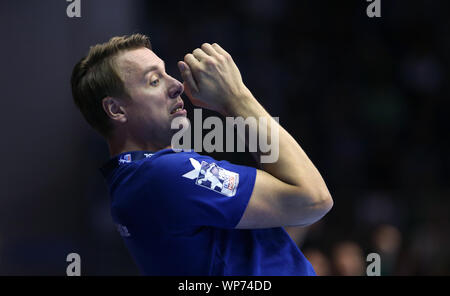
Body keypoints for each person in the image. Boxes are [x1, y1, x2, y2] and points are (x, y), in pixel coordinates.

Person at [71, 33, 333, 275]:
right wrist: (236, 97)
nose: (176, 85)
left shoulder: (136, 182)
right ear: (116, 109)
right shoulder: (164, 175)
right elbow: (314, 199)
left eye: (166, 73)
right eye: (154, 80)